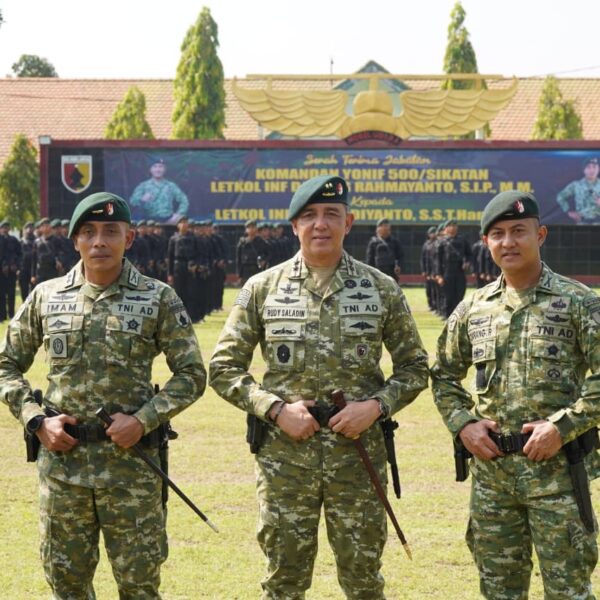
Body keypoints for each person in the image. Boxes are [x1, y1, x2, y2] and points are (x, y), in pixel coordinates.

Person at [209, 175, 429, 599]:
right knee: (283, 580)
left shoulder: (380, 288)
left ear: (349, 222)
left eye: (332, 214)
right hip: (285, 461)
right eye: (309, 215)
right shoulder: (262, 288)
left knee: (364, 581)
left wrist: (376, 406)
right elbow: (223, 368)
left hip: (358, 458)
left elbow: (416, 367)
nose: (320, 224)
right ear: (294, 225)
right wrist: (275, 410)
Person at [0, 192, 206, 599]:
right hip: (64, 471)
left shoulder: (158, 297)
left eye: (111, 231)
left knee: (139, 587)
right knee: (67, 586)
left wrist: (143, 420)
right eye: (88, 232)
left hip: (132, 472)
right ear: (75, 240)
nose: (99, 241)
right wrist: (37, 421)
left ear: (129, 238)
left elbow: (192, 374)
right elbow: (6, 364)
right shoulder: (46, 296)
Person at [431, 190, 600, 600]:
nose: (508, 242)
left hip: (558, 478)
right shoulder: (473, 308)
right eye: (498, 234)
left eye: (519, 231)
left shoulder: (578, 302)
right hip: (493, 482)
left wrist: (563, 427)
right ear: (486, 242)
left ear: (540, 235)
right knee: (499, 591)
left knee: (569, 592)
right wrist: (464, 425)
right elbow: (443, 376)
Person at [129, 158, 189, 224]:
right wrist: (142, 199)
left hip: (167, 221)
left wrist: (178, 215)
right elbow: (132, 202)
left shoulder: (171, 186)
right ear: (150, 169)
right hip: (148, 222)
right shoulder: (143, 186)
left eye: (160, 167)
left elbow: (184, 200)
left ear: (165, 169)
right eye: (155, 167)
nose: (158, 170)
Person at [434, 219, 472, 319]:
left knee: (459, 295)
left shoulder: (463, 240)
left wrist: (467, 262)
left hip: (460, 271)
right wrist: (438, 275)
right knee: (448, 297)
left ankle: (458, 318)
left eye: (455, 226)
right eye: (450, 226)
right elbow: (437, 260)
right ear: (446, 228)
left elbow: (469, 254)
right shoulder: (441, 242)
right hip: (447, 272)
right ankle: (448, 317)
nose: (453, 228)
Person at [556, 157, 600, 224]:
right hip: (582, 223)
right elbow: (560, 196)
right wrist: (568, 211)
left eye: (594, 167)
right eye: (588, 167)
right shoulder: (576, 185)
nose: (592, 170)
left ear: (598, 169)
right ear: (584, 170)